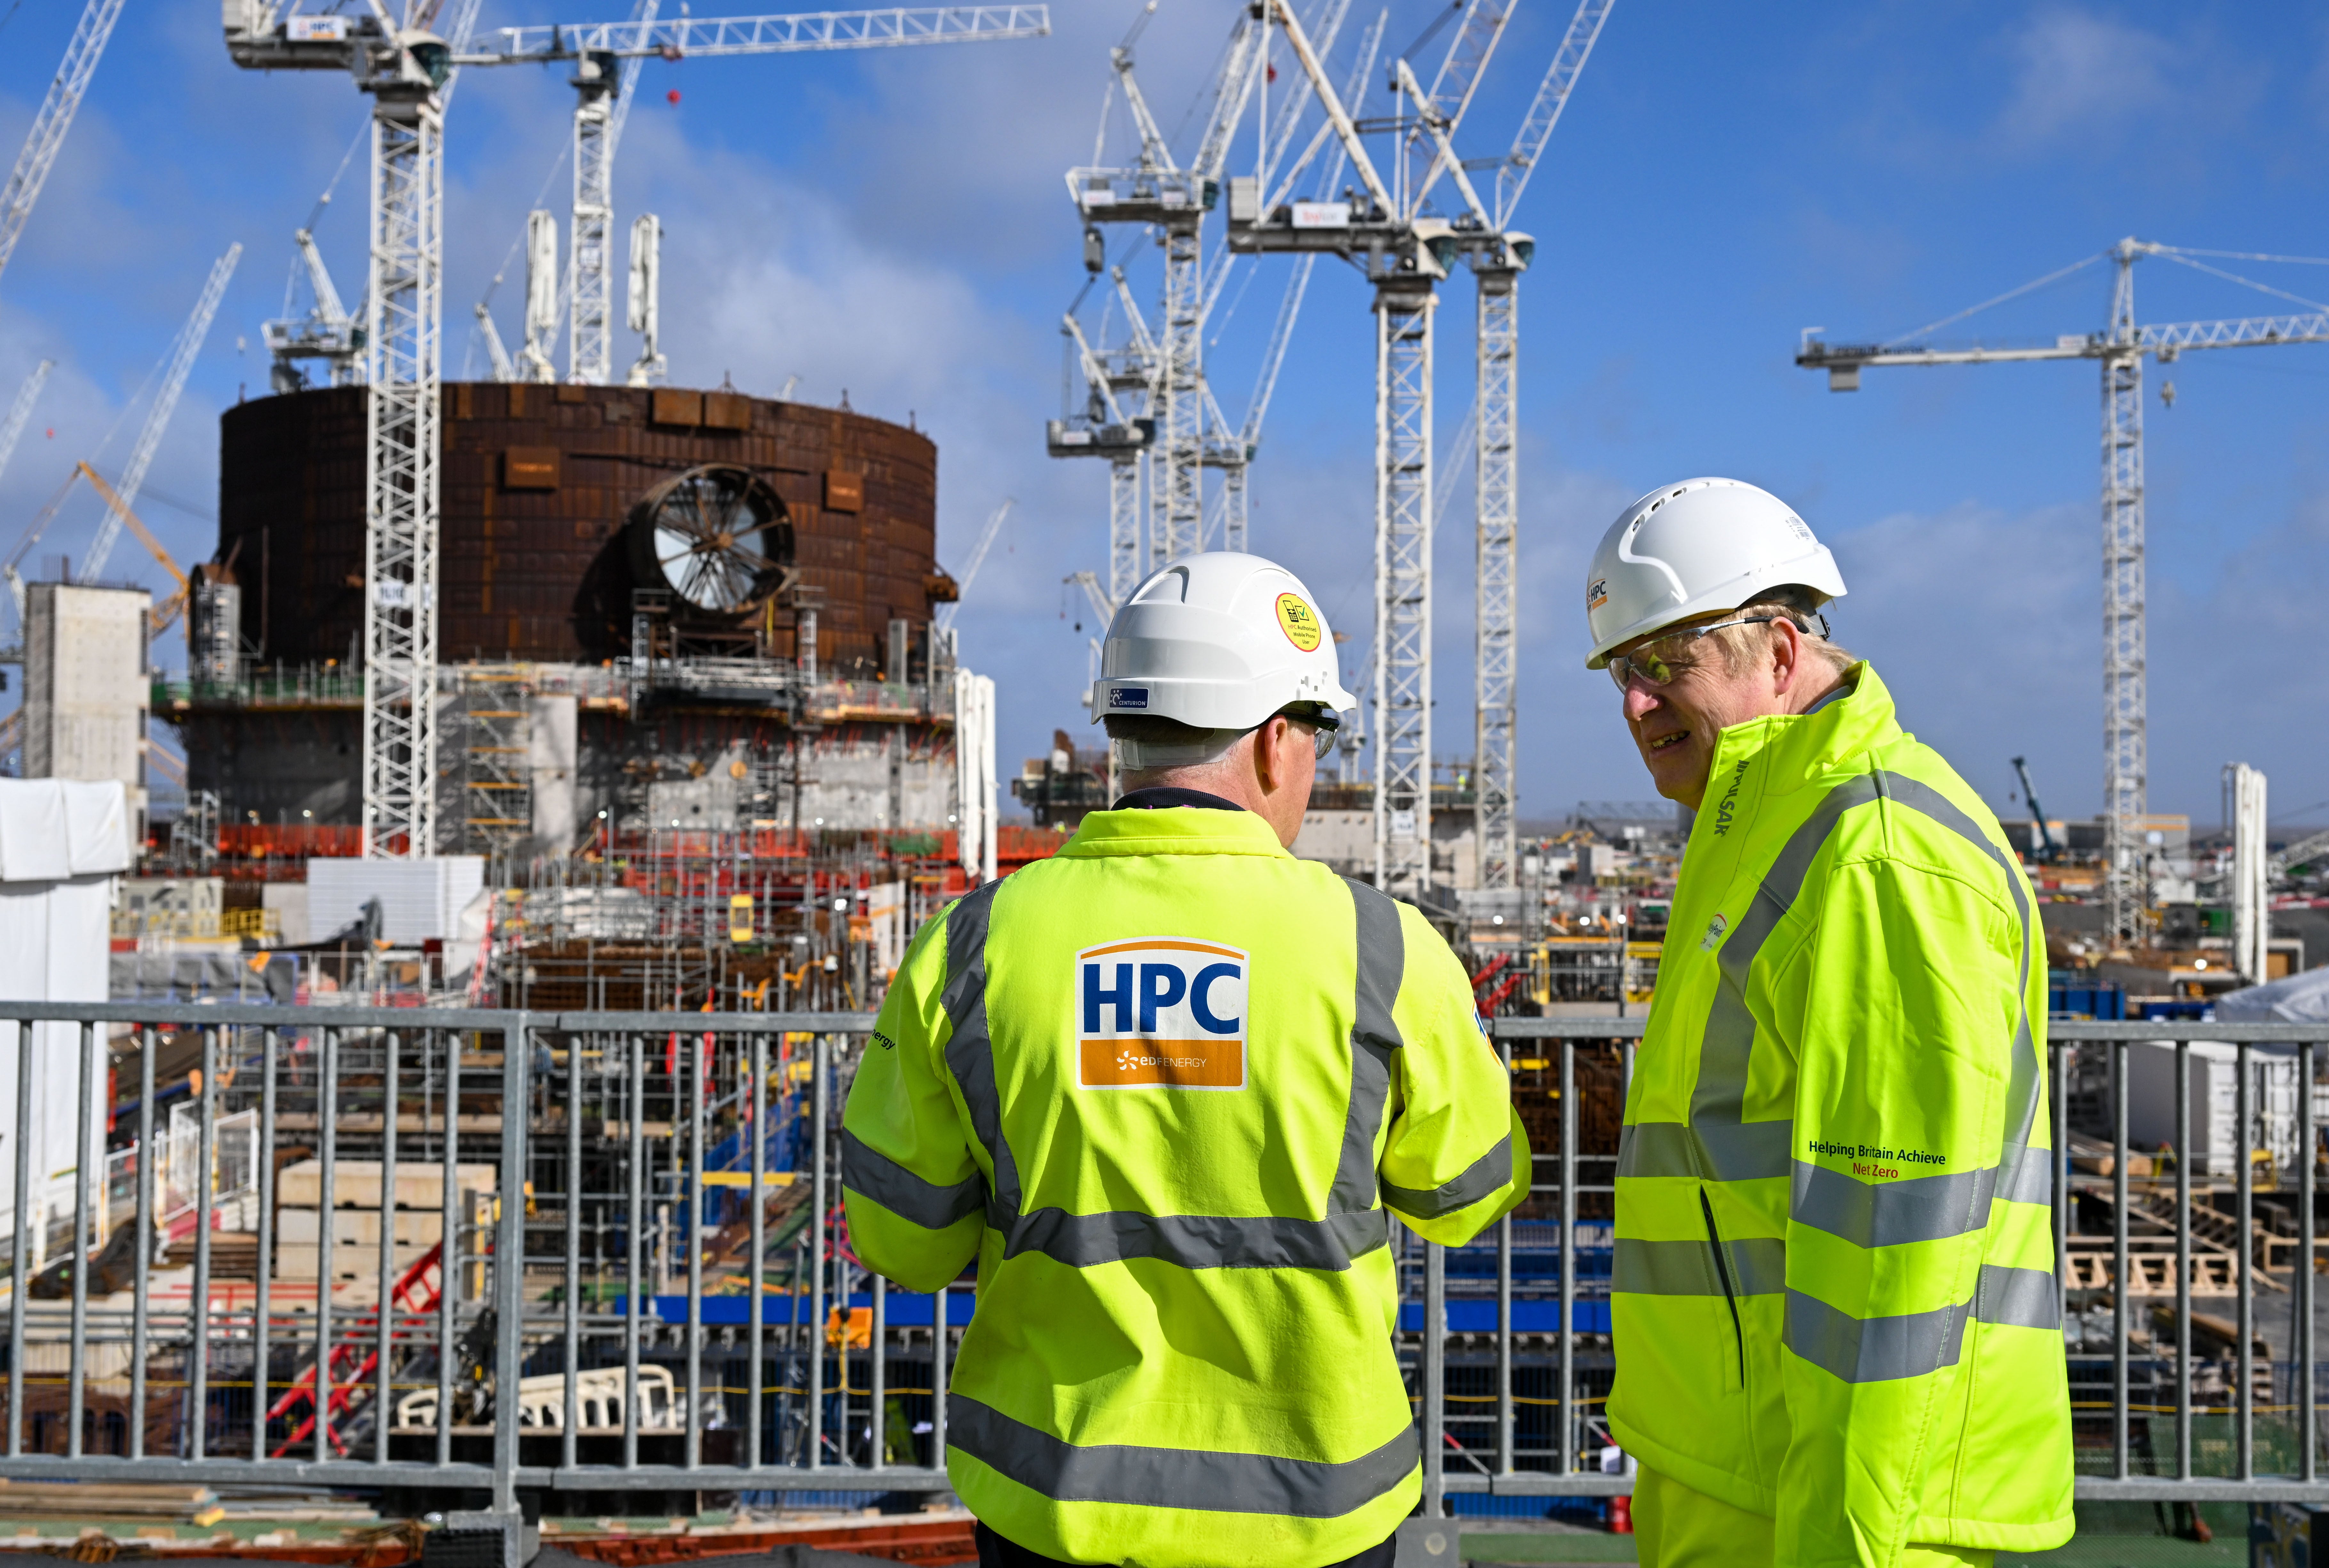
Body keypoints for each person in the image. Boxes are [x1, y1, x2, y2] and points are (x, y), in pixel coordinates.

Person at [842, 551, 1529, 1568]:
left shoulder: (972, 948)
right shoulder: (1384, 951)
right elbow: (1467, 1197)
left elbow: (904, 1240)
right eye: (1315, 737)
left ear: (1126, 732)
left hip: (1055, 1504)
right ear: (1274, 742)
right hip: (1316, 1507)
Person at [1583, 479, 2073, 1567]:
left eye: (1667, 664)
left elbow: (1900, 1248)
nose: (1636, 703)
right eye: (1623, 671)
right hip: (1745, 1460)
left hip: (1834, 1500)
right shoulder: (1766, 820)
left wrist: (1848, 1539)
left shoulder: (1875, 856)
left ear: (1780, 647)